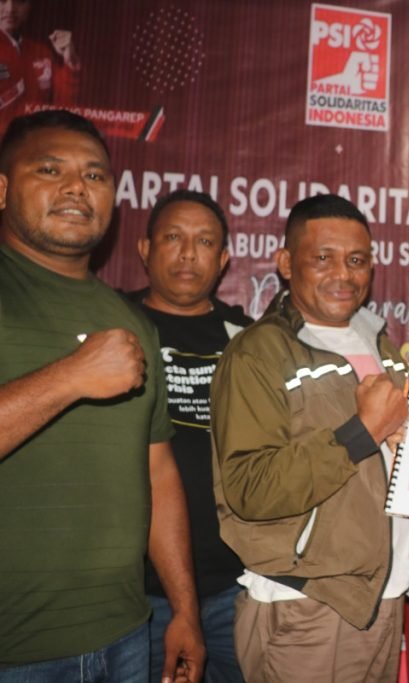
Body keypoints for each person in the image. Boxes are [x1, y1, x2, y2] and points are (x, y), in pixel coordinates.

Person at [0, 110, 203, 681]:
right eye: (50, 169)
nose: (77, 187)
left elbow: (158, 471)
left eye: (95, 175)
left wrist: (184, 609)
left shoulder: (131, 321)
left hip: (126, 636)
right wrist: (71, 377)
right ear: (3, 189)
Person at [210, 193, 409, 683]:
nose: (343, 274)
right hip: (308, 605)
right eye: (323, 258)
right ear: (286, 263)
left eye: (357, 261)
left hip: (384, 596)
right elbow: (250, 488)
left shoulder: (382, 345)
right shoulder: (258, 353)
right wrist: (362, 432)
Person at [128, 189, 252, 683]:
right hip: (133, 593)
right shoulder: (111, 324)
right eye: (173, 238)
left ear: (222, 260)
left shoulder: (248, 339)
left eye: (204, 242)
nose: (187, 254)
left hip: (234, 584)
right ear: (145, 248)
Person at [0, 0, 81, 132]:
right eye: (2, 1)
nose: (10, 9)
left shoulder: (41, 53)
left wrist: (69, 61)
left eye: (19, 1)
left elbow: (64, 107)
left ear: (29, 6)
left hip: (37, 140)